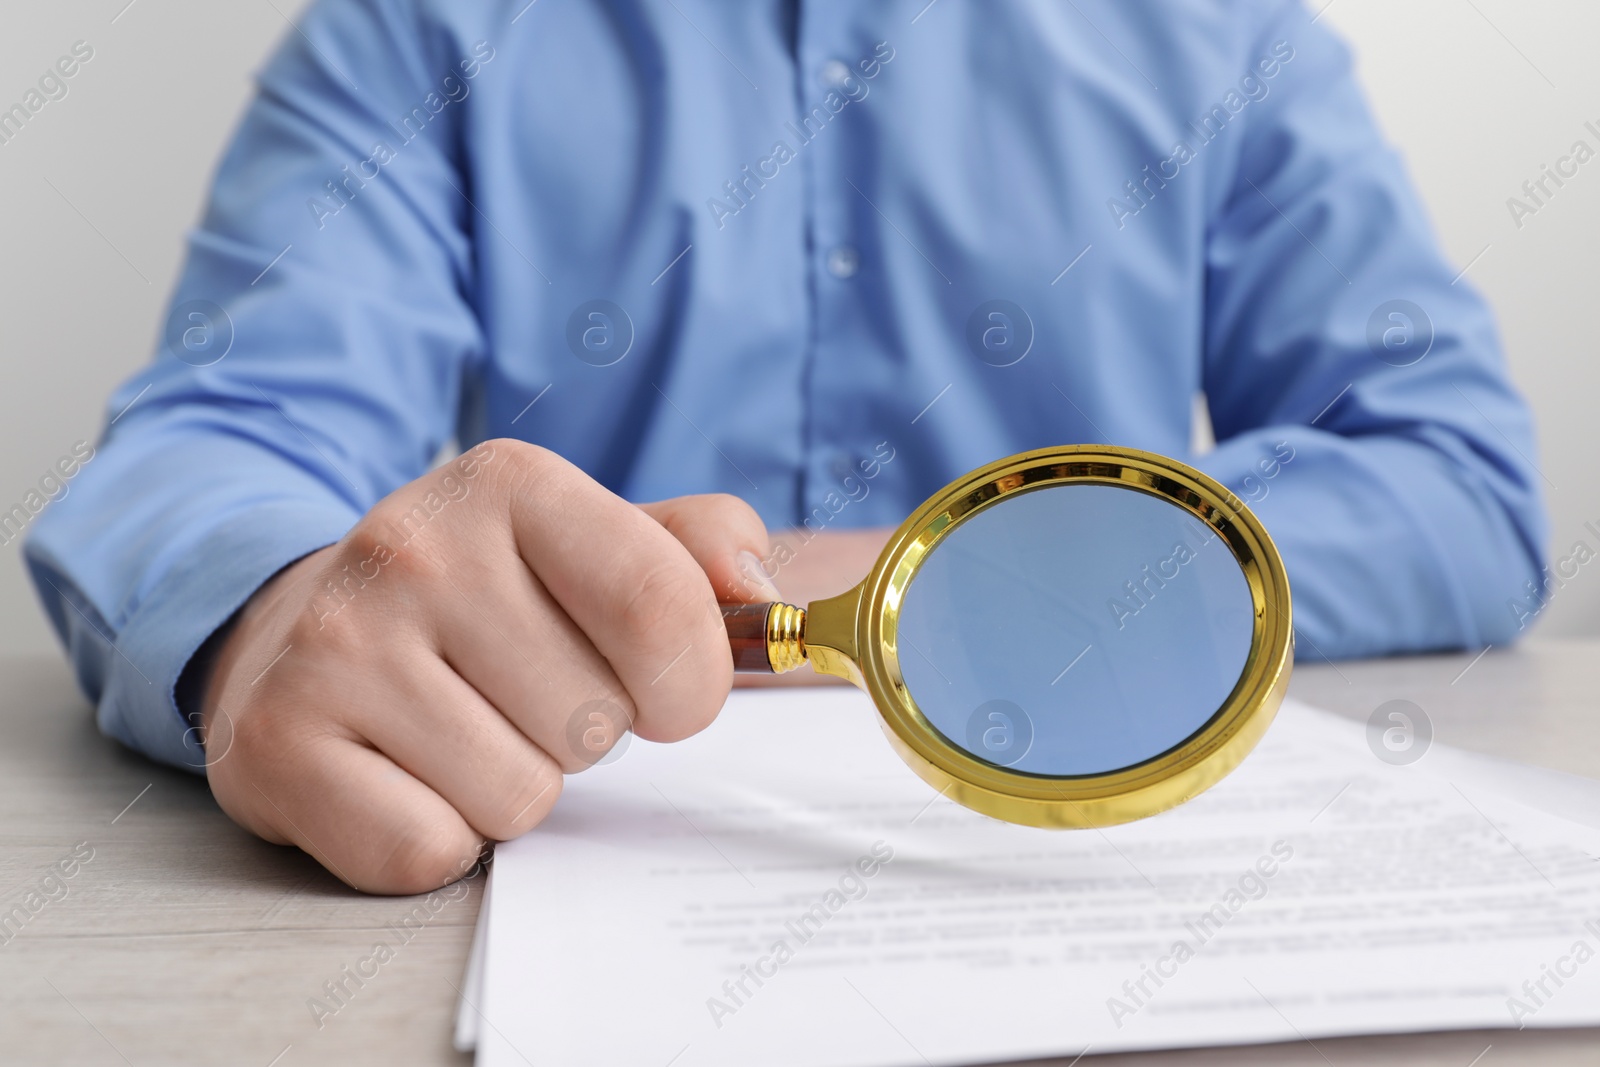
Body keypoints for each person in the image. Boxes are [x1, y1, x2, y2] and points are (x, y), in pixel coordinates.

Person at [26, 0, 1546, 894]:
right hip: (581, 828)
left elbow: (1456, 478)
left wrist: (949, 574)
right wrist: (277, 608)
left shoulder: (1227, 29)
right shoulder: (422, 28)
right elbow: (209, 440)